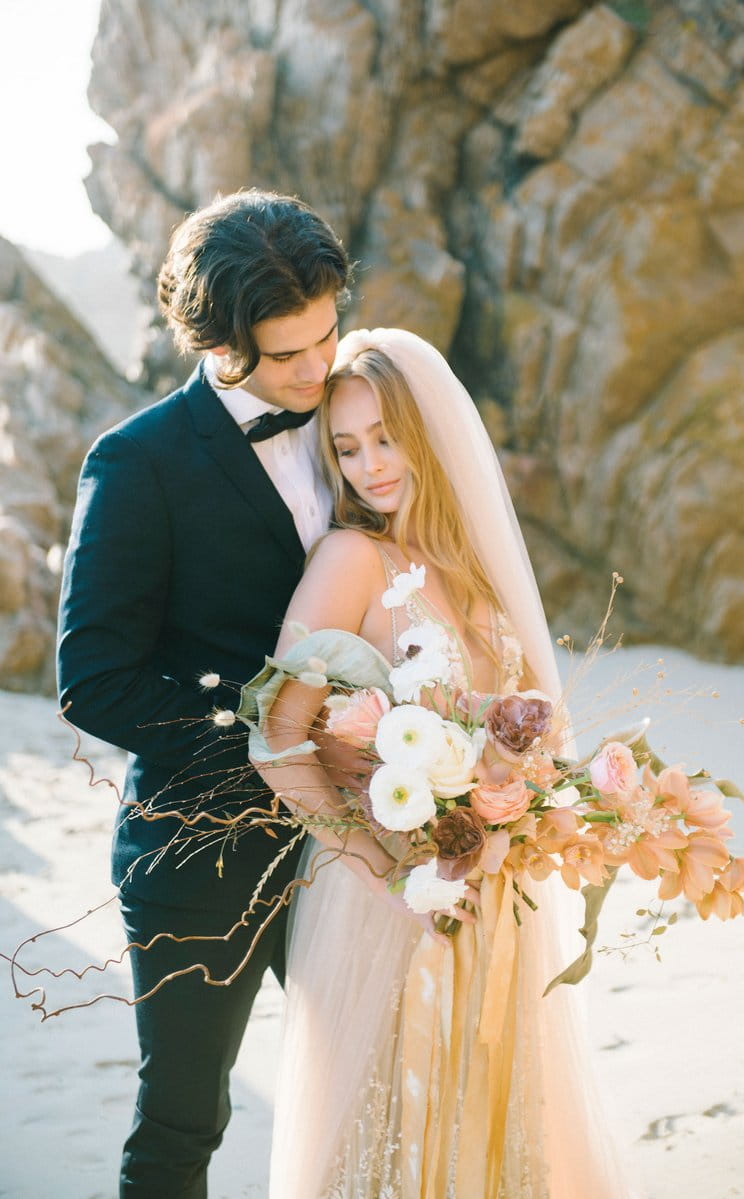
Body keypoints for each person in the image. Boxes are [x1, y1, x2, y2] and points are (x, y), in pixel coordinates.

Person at [251, 328, 632, 1196]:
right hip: (391, 901)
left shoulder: (475, 571)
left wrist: (534, 797)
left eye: (387, 438)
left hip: (498, 893)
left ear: (430, 435)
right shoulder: (351, 560)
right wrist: (388, 869)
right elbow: (277, 735)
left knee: (497, 1124)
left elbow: (524, 726)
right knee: (395, 1136)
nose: (370, 466)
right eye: (347, 448)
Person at [56, 189, 352, 1198]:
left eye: (327, 335)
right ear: (215, 343)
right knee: (186, 1119)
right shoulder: (135, 462)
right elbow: (93, 677)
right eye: (286, 356)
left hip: (362, 829)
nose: (317, 369)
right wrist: (274, 736)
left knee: (376, 1087)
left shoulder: (362, 420)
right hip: (201, 843)